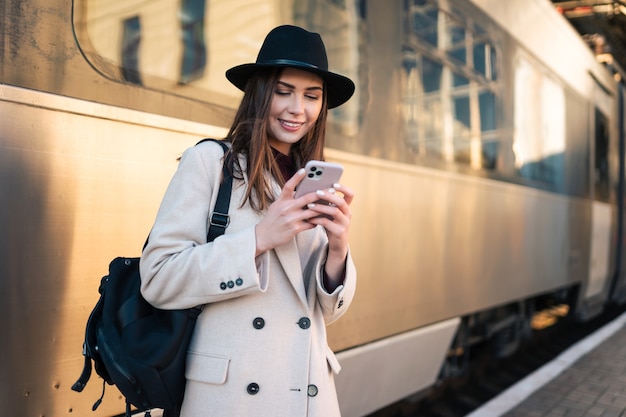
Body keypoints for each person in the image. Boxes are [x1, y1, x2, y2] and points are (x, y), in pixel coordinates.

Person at [139, 25, 357, 417]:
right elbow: (157, 279)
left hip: (307, 394)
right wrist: (258, 238)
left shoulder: (312, 176)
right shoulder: (210, 163)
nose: (297, 109)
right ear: (260, 92)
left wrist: (338, 251)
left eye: (312, 96)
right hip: (233, 398)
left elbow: (326, 313)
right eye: (283, 91)